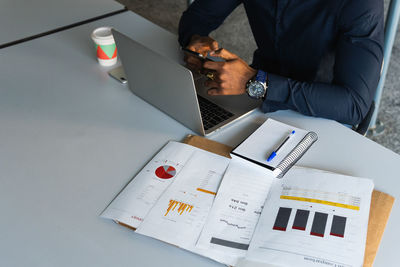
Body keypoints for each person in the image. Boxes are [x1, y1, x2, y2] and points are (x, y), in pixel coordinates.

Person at [178, 0, 384, 125]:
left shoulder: (361, 3)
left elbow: (354, 105)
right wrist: (194, 40)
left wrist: (253, 82)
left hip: (322, 110)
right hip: (254, 100)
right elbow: (198, 16)